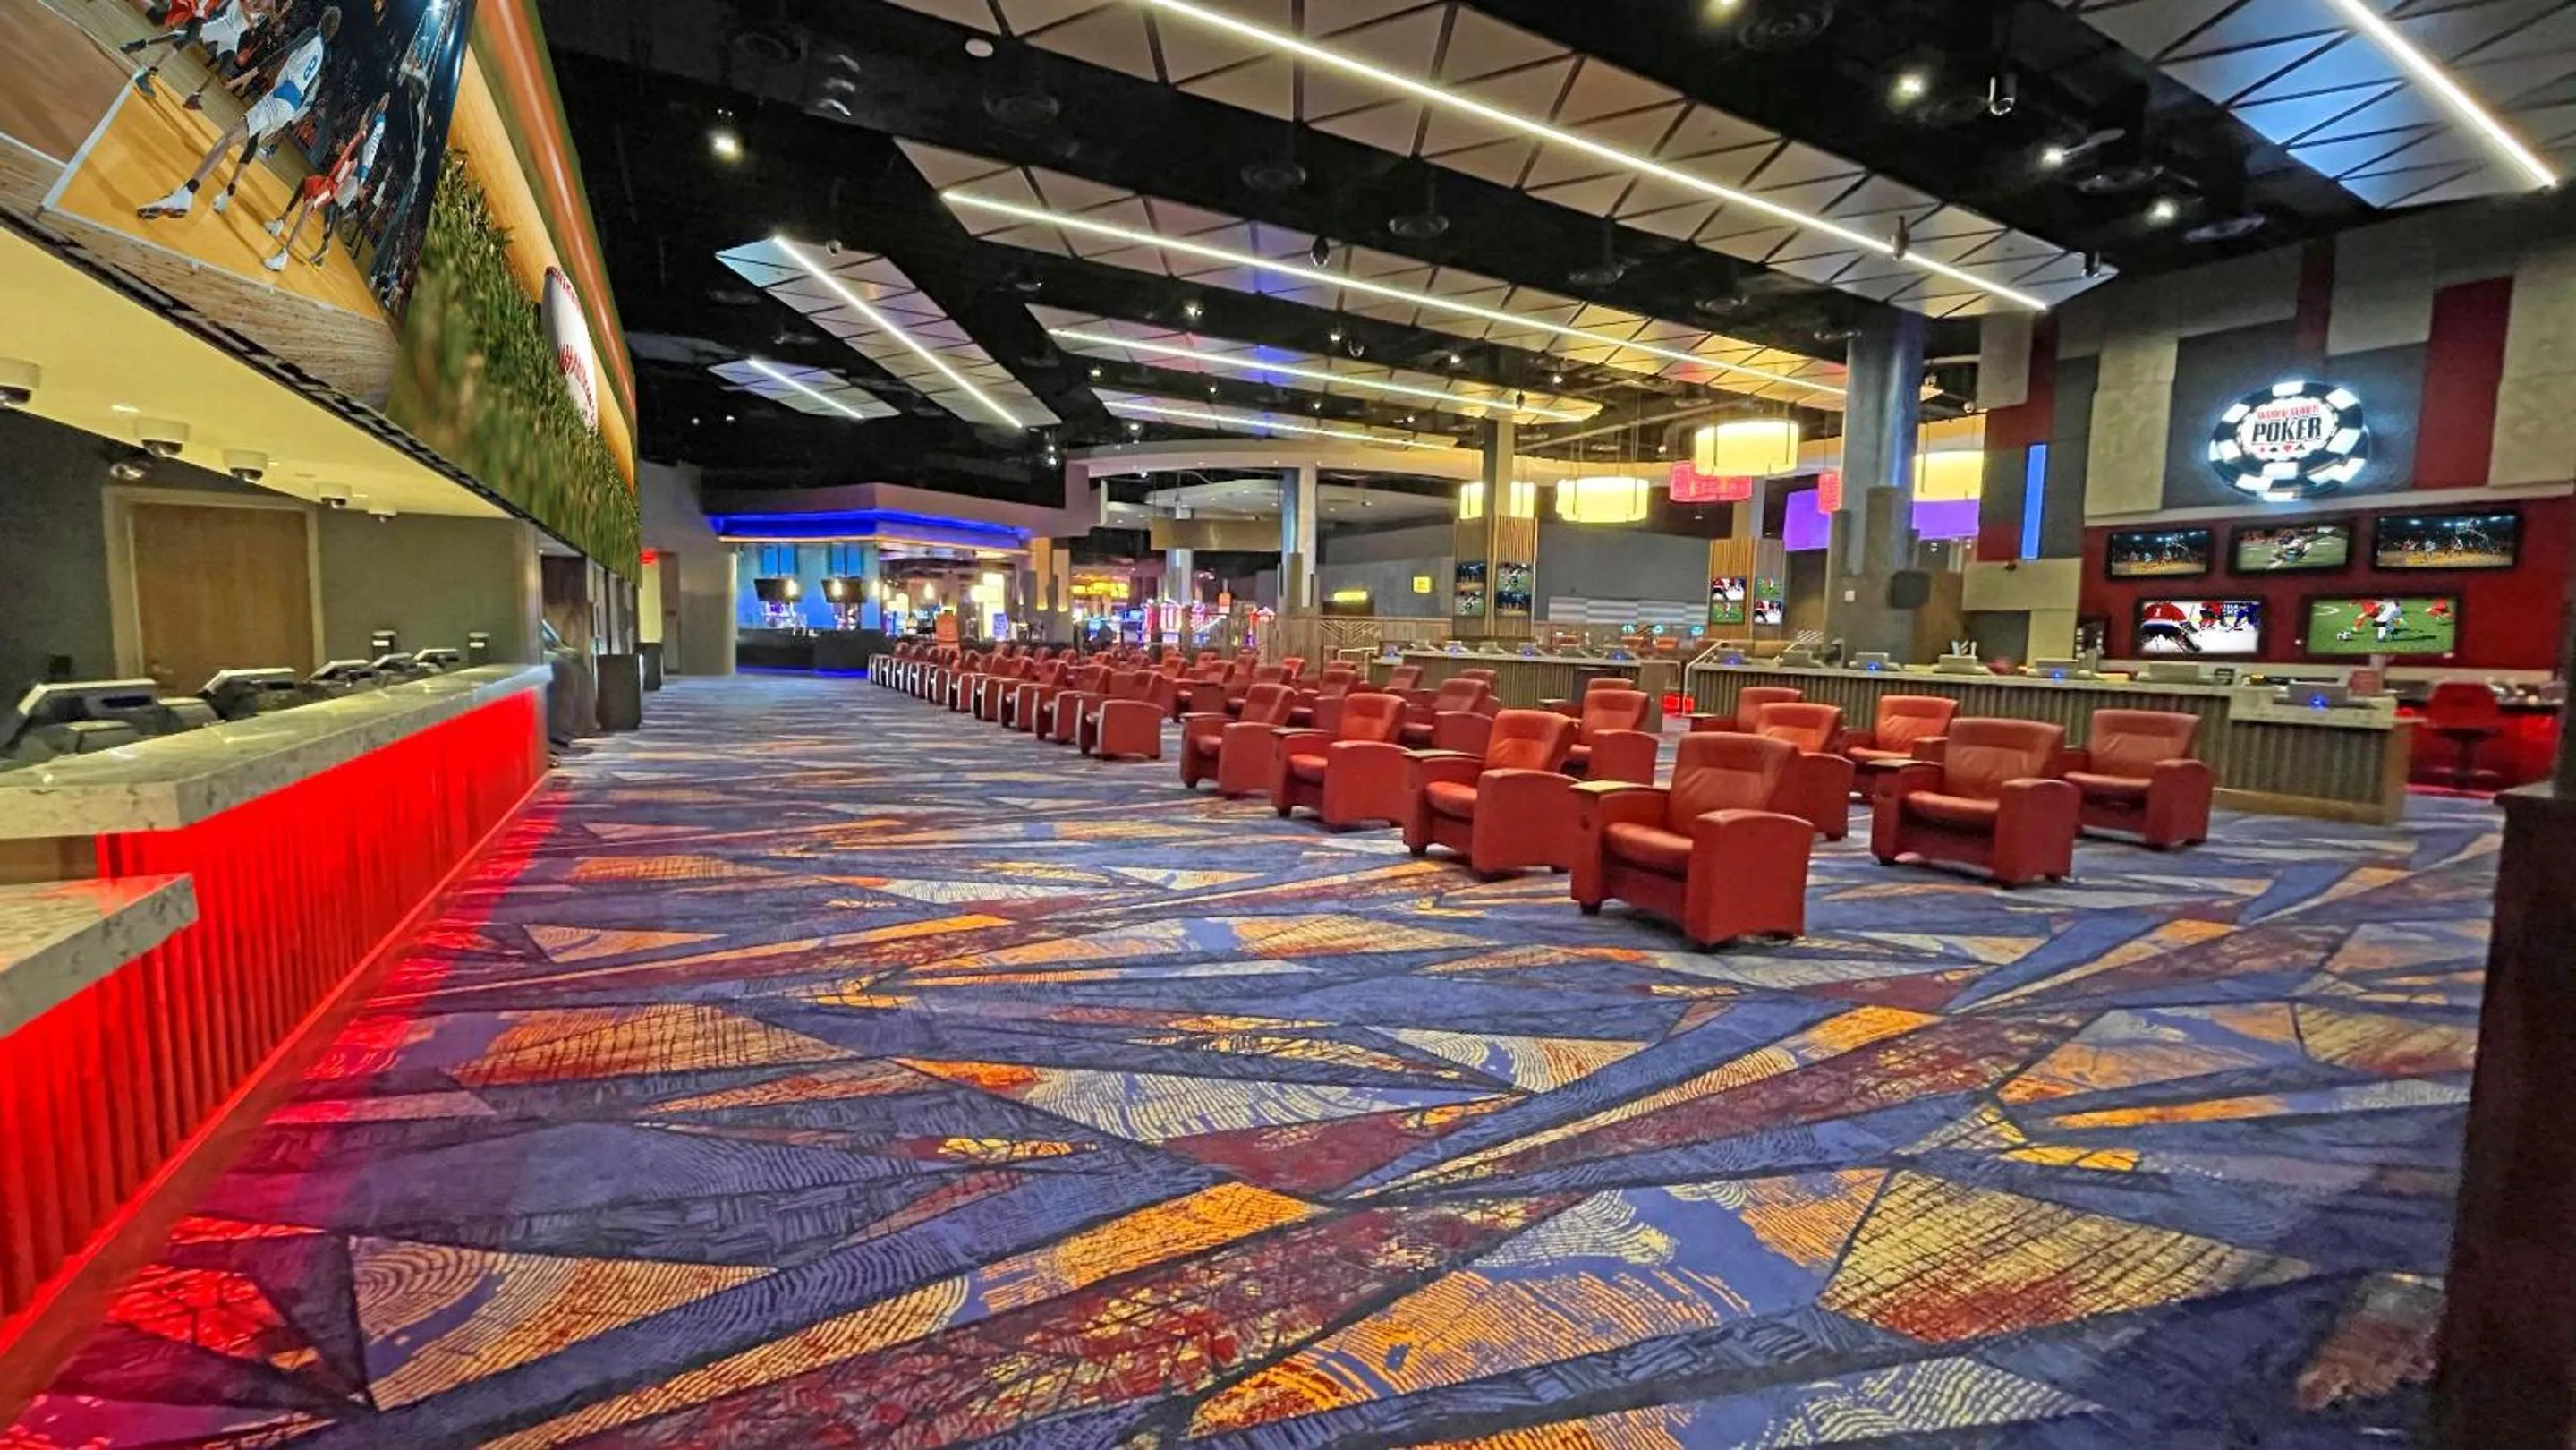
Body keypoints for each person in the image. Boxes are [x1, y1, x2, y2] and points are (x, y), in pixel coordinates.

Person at [136, 6, 339, 222]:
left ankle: (185, 194)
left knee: (227, 139)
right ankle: (223, 192)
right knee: (248, 142)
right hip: (289, 108)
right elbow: (307, 92)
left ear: (321, 21)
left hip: (280, 97)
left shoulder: (311, 34)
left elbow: (283, 52)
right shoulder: (322, 54)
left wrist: (244, 78)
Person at [263, 92, 385, 271]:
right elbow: (360, 134)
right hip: (327, 180)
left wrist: (359, 183)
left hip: (331, 187)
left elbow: (357, 158)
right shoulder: (359, 138)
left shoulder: (360, 144)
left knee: (307, 208)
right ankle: (280, 221)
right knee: (304, 183)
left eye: (366, 118)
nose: (363, 119)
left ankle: (284, 255)